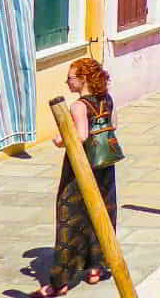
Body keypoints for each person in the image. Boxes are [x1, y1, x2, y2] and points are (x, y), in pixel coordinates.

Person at [37, 58, 119, 296]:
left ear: (83, 79)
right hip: (105, 164)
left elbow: (81, 135)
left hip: (81, 167)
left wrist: (60, 139)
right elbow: (114, 124)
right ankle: (96, 268)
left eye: (71, 77)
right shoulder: (107, 99)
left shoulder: (78, 105)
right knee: (102, 212)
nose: (68, 82)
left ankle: (60, 280)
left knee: (69, 216)